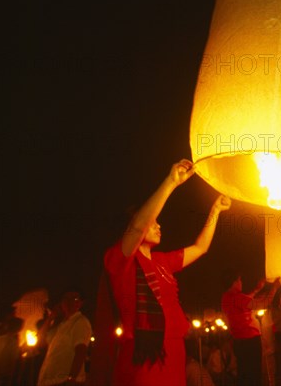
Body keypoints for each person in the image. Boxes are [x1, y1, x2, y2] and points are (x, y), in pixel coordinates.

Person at [96, 159, 231, 386]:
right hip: (145, 354)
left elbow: (200, 248)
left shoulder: (163, 261)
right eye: (152, 222)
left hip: (174, 349)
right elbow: (138, 226)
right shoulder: (120, 260)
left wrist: (215, 211)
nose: (159, 226)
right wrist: (171, 182)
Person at [221, 270, 281, 386]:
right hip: (250, 341)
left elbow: (245, 300)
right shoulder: (237, 297)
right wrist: (275, 287)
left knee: (244, 373)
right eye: (239, 280)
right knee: (253, 373)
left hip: (238, 341)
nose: (241, 282)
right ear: (233, 282)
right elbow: (263, 304)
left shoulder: (226, 297)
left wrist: (257, 289)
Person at [37, 291, 92, 386]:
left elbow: (81, 351)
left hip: (63, 381)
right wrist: (50, 318)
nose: (69, 302)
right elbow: (40, 341)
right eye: (66, 299)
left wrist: (71, 378)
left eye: (74, 299)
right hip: (49, 381)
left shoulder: (80, 322)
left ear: (80, 303)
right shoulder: (61, 326)